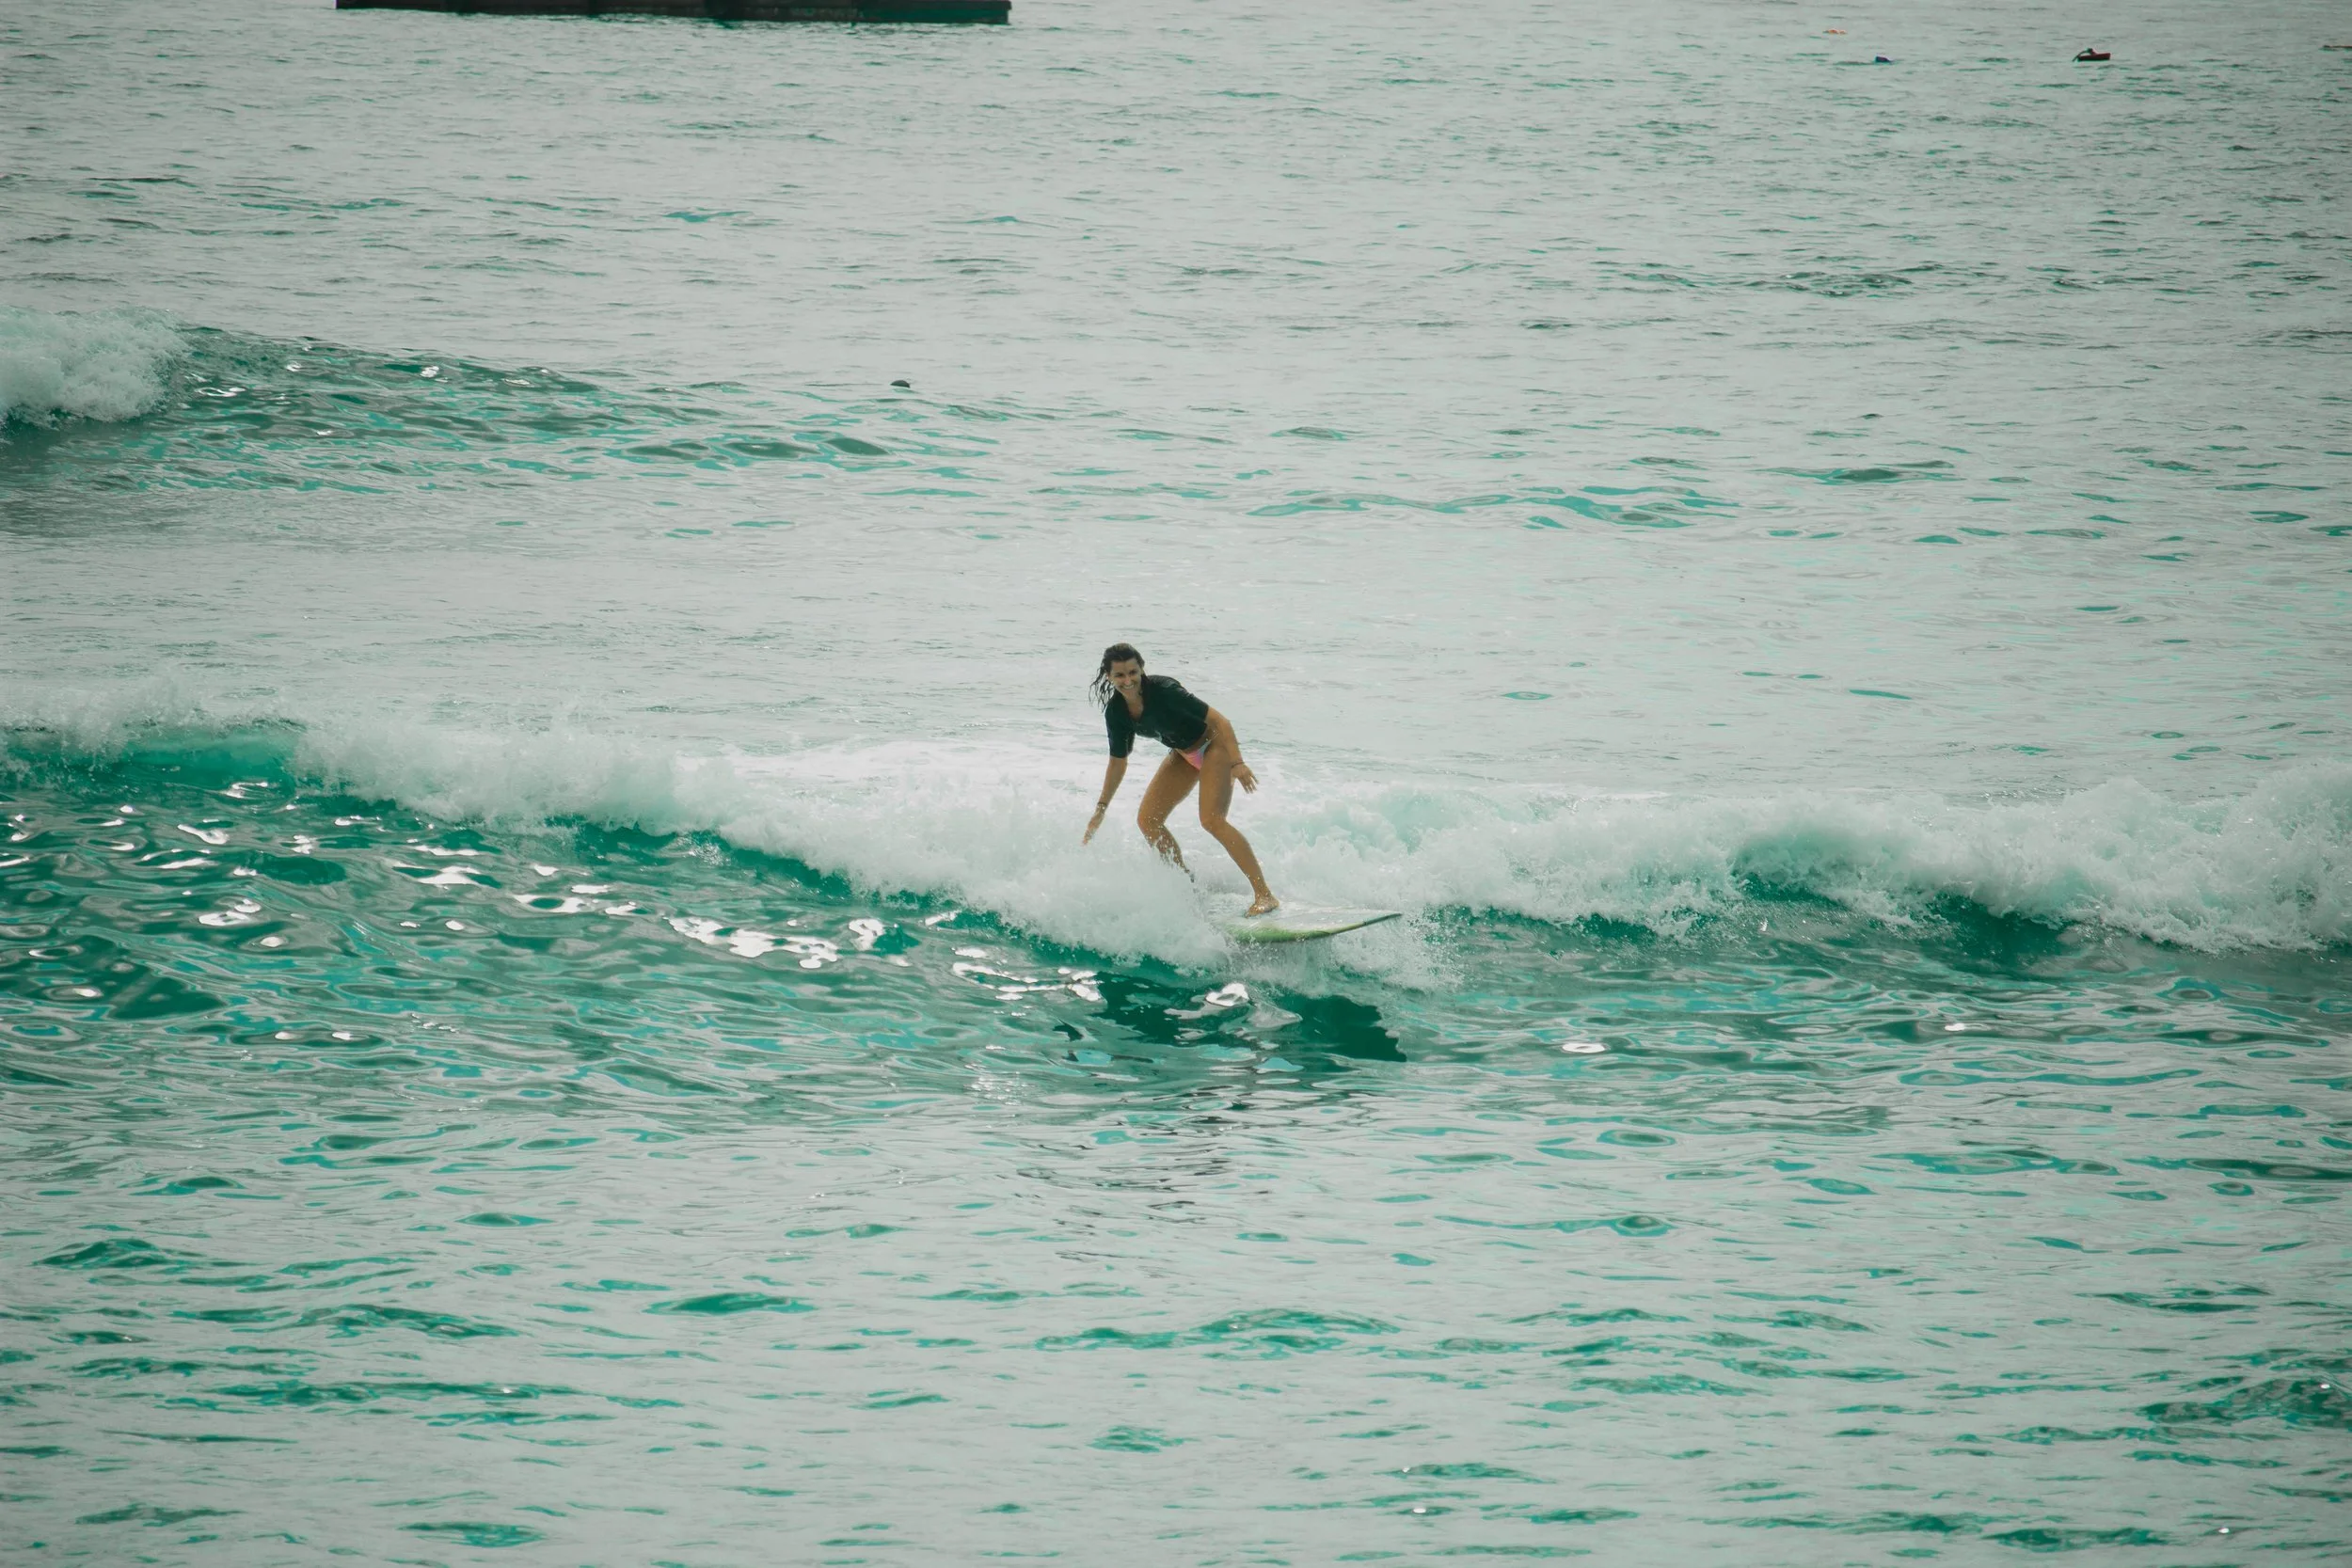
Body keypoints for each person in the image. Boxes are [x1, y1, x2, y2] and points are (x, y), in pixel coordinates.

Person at [1082, 642, 1279, 916]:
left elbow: (1220, 721)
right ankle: (1188, 887)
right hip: (1184, 754)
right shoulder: (1116, 713)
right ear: (1109, 677)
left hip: (1214, 747)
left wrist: (1238, 763)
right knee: (1148, 820)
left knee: (1212, 820)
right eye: (1120, 675)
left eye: (1133, 672)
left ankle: (1265, 895)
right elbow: (1118, 762)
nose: (1128, 681)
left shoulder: (1164, 691)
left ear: (1142, 669)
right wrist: (1101, 809)